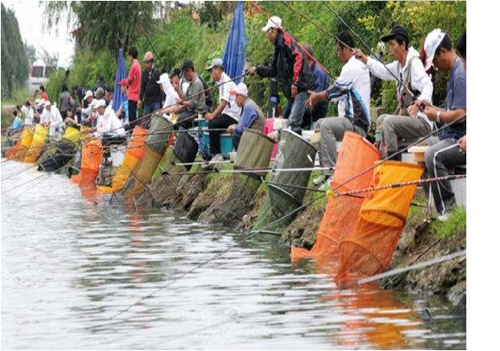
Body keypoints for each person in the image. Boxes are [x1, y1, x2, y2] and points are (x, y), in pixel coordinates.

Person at [354, 25, 434, 158]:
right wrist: (364, 58)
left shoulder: (414, 64)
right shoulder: (398, 66)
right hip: (410, 122)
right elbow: (382, 70)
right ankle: (378, 152)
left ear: (403, 44)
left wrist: (419, 103)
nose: (390, 49)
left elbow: (428, 85)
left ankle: (391, 160)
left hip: (422, 123)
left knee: (389, 122)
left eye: (392, 44)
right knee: (381, 119)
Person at [307, 30, 371, 187]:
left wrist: (316, 96)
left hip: (356, 124)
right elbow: (339, 91)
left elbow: (334, 92)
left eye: (338, 50)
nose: (337, 54)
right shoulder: (354, 66)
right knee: (319, 124)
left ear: (346, 49)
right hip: (350, 121)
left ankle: (332, 174)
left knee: (326, 126)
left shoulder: (352, 67)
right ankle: (325, 171)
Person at [422, 30, 466, 220]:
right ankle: (433, 210)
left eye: (435, 60)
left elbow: (462, 115)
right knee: (423, 148)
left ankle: (448, 210)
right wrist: (432, 108)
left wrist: (437, 115)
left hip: (461, 138)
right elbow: (453, 109)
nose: (436, 67)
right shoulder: (455, 72)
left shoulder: (460, 74)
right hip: (451, 135)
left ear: (442, 52)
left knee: (432, 156)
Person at [248, 16, 313, 135]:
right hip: (292, 92)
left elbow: (299, 57)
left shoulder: (286, 39)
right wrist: (257, 70)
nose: (266, 34)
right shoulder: (278, 47)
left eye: (267, 31)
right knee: (288, 122)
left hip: (300, 88)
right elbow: (273, 69)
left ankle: (297, 151)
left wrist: (295, 83)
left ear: (273, 30)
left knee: (294, 122)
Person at [205, 58, 241, 164]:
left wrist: (212, 116)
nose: (211, 74)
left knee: (212, 123)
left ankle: (217, 154)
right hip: (228, 115)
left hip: (233, 116)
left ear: (217, 69)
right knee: (212, 122)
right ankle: (213, 153)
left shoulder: (226, 81)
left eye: (211, 71)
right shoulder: (221, 82)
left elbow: (223, 103)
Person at [164, 59, 206, 130]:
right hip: (190, 112)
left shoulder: (197, 83)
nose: (184, 76)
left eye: (185, 74)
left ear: (189, 71)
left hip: (198, 114)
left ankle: (182, 139)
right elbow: (185, 98)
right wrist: (178, 91)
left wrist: (181, 102)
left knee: (178, 120)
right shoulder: (191, 83)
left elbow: (193, 104)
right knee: (173, 118)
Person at [299, 42, 330, 129]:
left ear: (305, 56)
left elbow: (317, 96)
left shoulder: (318, 72)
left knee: (314, 137)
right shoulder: (307, 70)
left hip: (318, 113)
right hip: (309, 111)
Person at [226, 82, 265, 151]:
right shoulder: (249, 104)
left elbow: (240, 129)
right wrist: (235, 126)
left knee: (236, 135)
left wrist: (233, 127)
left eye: (236, 96)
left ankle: (243, 158)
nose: (235, 100)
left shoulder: (248, 106)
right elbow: (243, 125)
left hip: (255, 137)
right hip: (255, 135)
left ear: (242, 96)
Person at [139, 52, 163, 127]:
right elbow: (142, 87)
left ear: (151, 62)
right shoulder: (144, 73)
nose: (147, 64)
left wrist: (161, 100)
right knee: (147, 122)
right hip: (147, 101)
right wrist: (140, 99)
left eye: (148, 62)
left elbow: (161, 88)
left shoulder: (157, 72)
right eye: (146, 62)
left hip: (156, 100)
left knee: (155, 121)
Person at [126, 46, 142, 128]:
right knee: (134, 118)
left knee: (132, 120)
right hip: (136, 95)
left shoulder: (133, 66)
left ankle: (134, 136)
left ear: (131, 56)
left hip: (132, 95)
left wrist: (127, 86)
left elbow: (129, 80)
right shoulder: (139, 65)